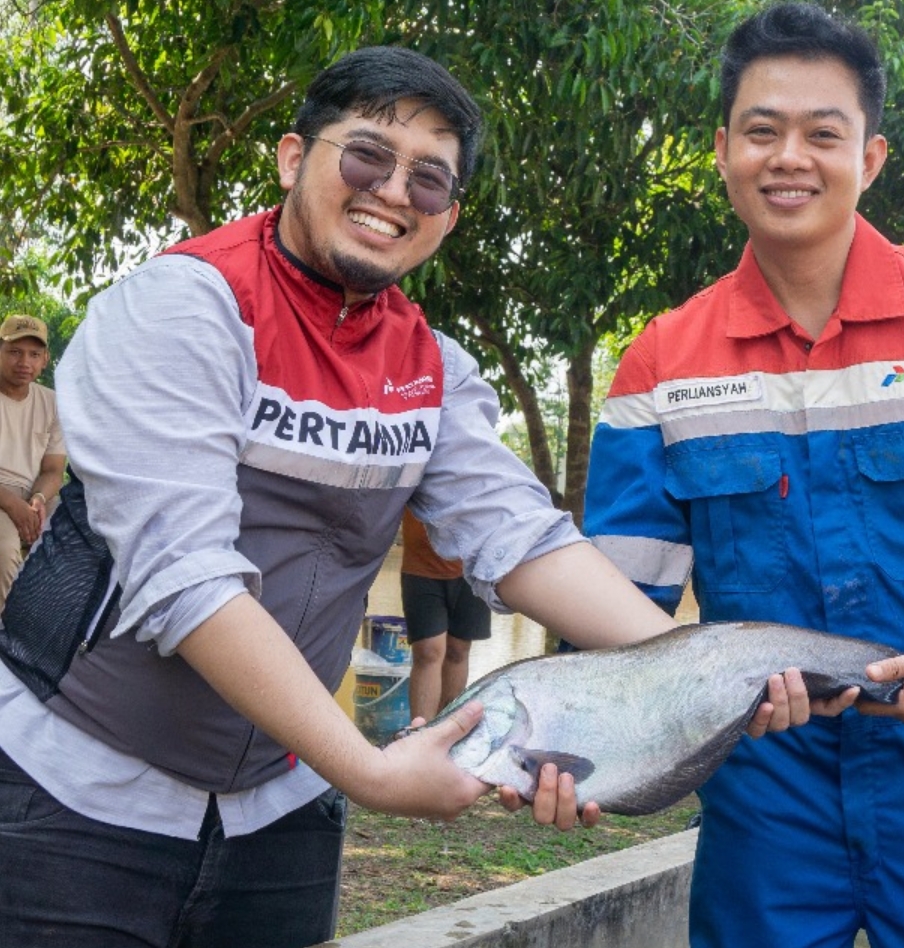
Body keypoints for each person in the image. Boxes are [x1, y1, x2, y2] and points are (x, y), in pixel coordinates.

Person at [0, 46, 808, 948]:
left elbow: (520, 539)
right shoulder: (181, 308)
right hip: (68, 792)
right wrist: (372, 773)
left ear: (448, 217)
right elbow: (185, 577)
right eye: (365, 156)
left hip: (279, 811)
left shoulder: (433, 369)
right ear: (290, 156)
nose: (392, 193)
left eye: (428, 180)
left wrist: (700, 668)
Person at [584, 4, 904, 947]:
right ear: (722, 148)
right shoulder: (660, 365)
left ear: (872, 157)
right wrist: (604, 751)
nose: (789, 158)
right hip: (762, 796)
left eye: (824, 133)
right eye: (762, 130)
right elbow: (621, 608)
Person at [399, 506, 491, 720]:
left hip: (473, 565)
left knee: (458, 650)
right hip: (421, 567)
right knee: (428, 651)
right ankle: (419, 731)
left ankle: (446, 729)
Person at [0, 313, 65, 613]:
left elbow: (53, 470)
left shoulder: (51, 402)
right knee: (4, 550)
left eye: (34, 354)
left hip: (33, 493)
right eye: (14, 351)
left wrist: (38, 500)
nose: (24, 362)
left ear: (45, 359)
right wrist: (13, 505)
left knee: (71, 536)